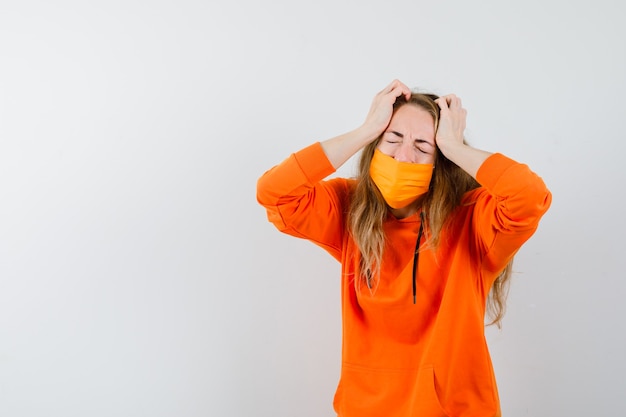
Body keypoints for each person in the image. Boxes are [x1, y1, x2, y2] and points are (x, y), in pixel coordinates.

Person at [256, 79, 552, 417]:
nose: (404, 156)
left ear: (442, 161)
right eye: (392, 139)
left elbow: (529, 197)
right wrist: (364, 130)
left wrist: (454, 146)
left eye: (424, 146)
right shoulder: (349, 208)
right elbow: (274, 192)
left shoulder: (475, 220)